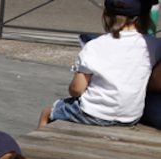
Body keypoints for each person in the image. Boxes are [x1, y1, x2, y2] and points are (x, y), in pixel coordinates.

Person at [39, 0, 155, 129]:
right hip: (131, 116)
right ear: (144, 17)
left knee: (47, 112)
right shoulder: (154, 46)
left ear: (106, 16)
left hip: (92, 113)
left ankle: (37, 145)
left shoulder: (94, 46)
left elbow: (77, 90)